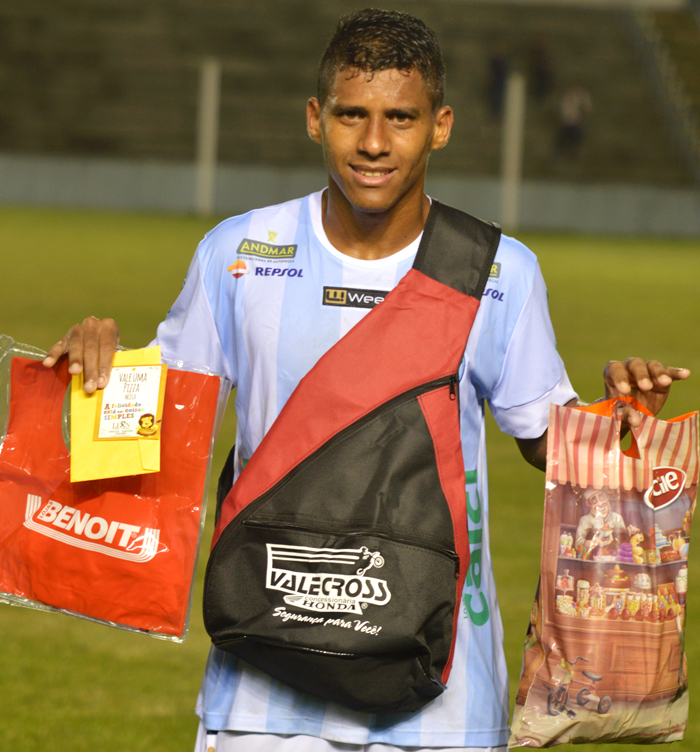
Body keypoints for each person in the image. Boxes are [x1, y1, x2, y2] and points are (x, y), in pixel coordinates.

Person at [41, 9, 689, 752]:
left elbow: (549, 442)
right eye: (352, 114)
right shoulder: (238, 253)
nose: (374, 142)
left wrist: (618, 421)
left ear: (440, 125)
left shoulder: (501, 272)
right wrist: (92, 375)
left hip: (442, 695)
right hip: (264, 692)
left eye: (400, 118)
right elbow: (153, 432)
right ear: (316, 118)